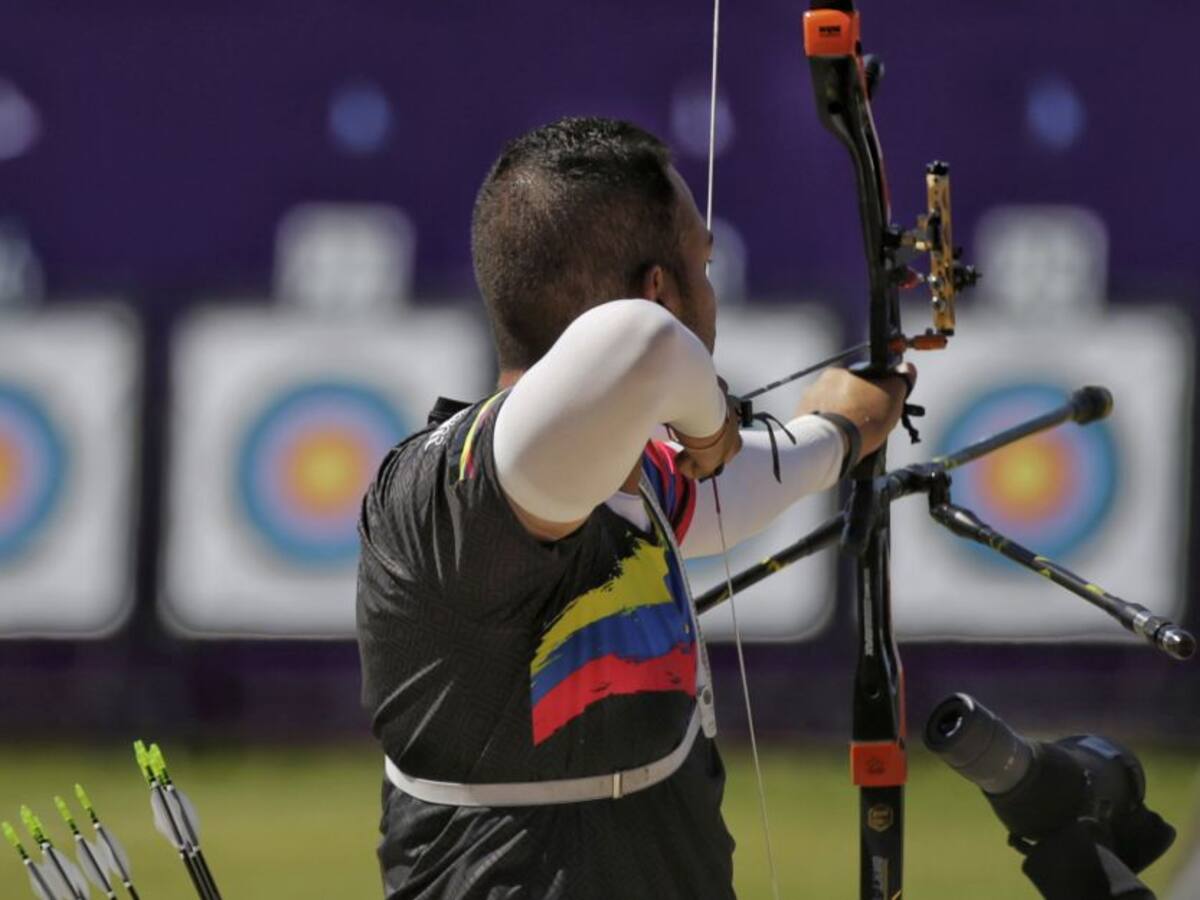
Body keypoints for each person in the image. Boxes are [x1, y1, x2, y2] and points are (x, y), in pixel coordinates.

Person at [356, 116, 913, 900]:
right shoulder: (452, 494)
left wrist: (839, 433)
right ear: (659, 288)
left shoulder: (627, 475)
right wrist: (713, 424)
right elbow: (641, 343)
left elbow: (729, 490)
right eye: (704, 266)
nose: (711, 293)